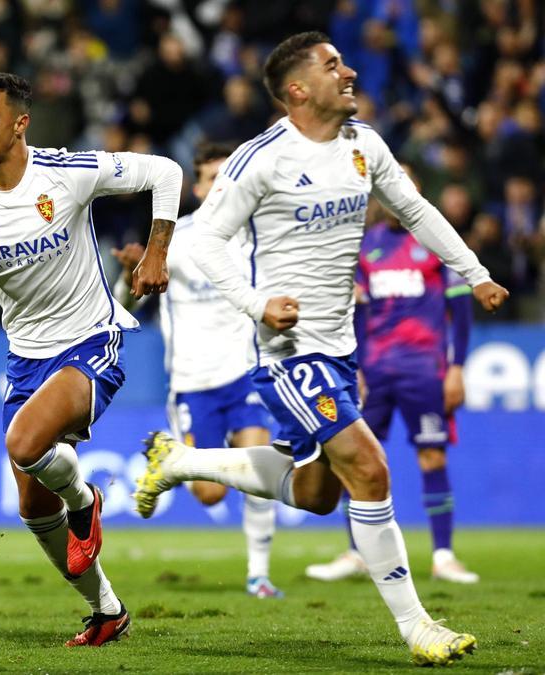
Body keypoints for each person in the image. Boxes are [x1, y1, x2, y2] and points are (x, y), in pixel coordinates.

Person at [130, 32, 508, 667]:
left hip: (340, 348)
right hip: (287, 352)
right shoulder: (261, 159)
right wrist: (257, 304)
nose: (350, 71)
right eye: (334, 66)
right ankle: (416, 626)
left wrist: (474, 272)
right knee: (370, 467)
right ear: (298, 89)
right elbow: (202, 244)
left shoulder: (365, 145)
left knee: (317, 494)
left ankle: (181, 462)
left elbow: (415, 212)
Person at [0, 72, 181, 647]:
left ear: (20, 122)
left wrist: (156, 252)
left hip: (90, 340)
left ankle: (85, 500)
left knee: (24, 445)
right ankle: (107, 611)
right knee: (32, 505)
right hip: (25, 355)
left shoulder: (67, 173)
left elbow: (166, 172)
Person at [112, 142, 283, 599]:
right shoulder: (174, 238)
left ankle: (259, 575)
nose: (221, 185)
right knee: (210, 495)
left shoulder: (255, 237)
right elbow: (126, 305)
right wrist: (130, 274)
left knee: (263, 472)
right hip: (191, 382)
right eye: (211, 177)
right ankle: (177, 462)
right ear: (198, 185)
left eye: (229, 176)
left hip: (244, 372)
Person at [306, 165, 479, 585]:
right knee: (355, 458)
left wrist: (456, 368)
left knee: (432, 456)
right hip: (375, 373)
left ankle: (443, 555)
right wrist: (355, 369)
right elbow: (356, 315)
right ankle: (356, 553)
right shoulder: (366, 247)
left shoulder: (437, 241)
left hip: (425, 372)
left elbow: (462, 310)